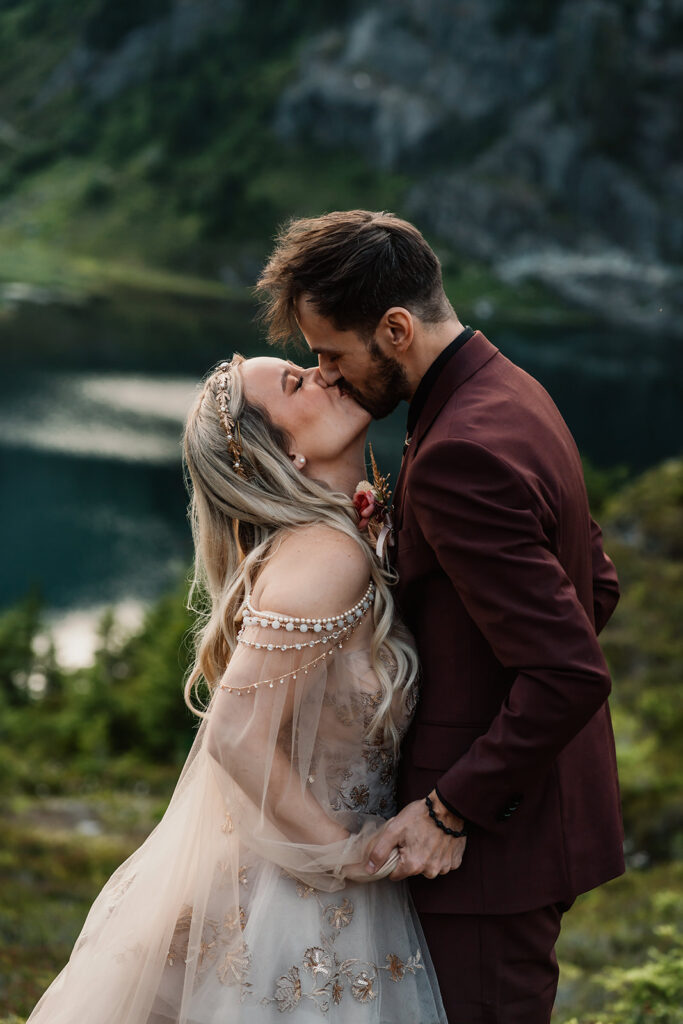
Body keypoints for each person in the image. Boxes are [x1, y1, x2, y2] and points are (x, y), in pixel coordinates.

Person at [256, 209, 625, 1024]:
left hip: (484, 856)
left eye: (330, 355)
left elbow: (568, 670)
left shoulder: (458, 450)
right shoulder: (510, 392)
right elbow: (592, 585)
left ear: (393, 328)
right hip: (527, 829)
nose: (326, 376)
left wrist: (449, 806)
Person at [25, 354, 447, 1023]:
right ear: (282, 454)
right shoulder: (327, 557)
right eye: (297, 383)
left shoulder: (342, 540)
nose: (324, 374)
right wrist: (348, 855)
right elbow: (234, 733)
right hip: (294, 905)